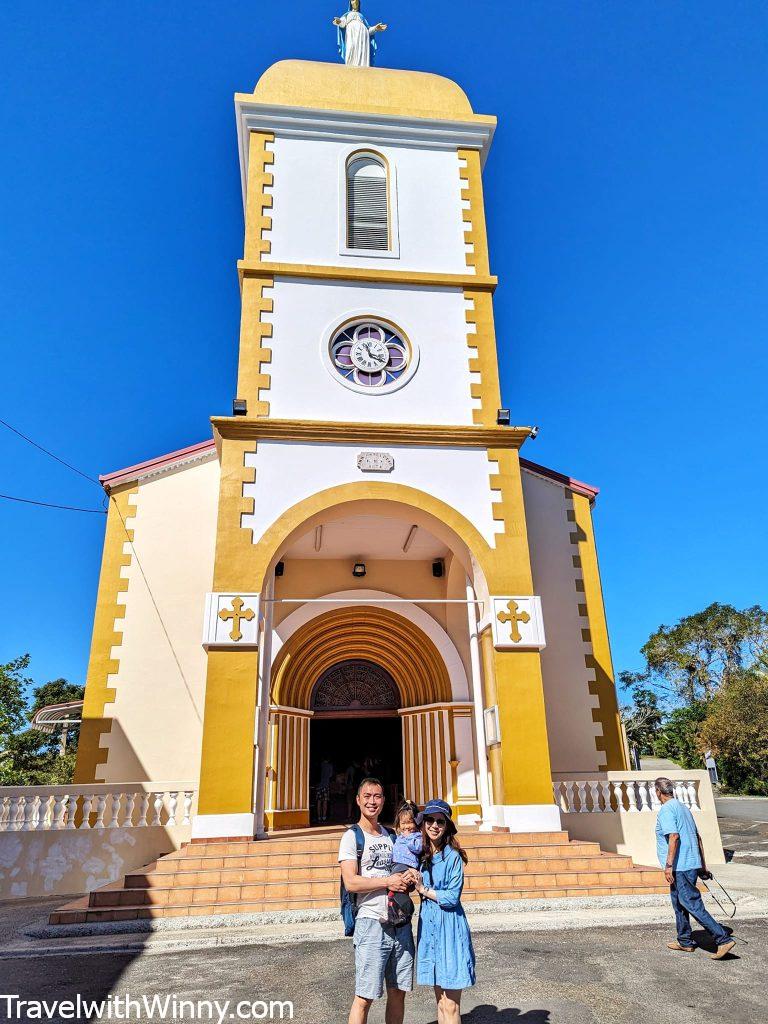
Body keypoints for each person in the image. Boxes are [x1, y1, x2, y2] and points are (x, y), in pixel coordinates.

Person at [338, 777, 415, 1024]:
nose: (373, 801)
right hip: (371, 923)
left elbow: (402, 869)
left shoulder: (392, 836)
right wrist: (388, 882)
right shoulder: (352, 837)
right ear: (358, 800)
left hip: (399, 922)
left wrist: (407, 879)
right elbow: (351, 882)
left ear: (383, 800)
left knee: (398, 991)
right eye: (367, 796)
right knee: (365, 996)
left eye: (378, 796)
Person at [654, 776, 735, 959]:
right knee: (679, 904)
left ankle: (722, 939)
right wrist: (702, 866)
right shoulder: (683, 808)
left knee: (691, 904)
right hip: (689, 864)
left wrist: (668, 866)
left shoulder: (667, 810)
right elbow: (697, 838)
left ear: (658, 792)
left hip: (679, 866)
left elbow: (673, 836)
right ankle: (684, 941)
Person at [411, 799, 475, 1024]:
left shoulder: (453, 857)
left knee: (451, 1004)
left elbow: (451, 897)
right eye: (430, 820)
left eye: (440, 821)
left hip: (449, 928)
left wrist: (423, 890)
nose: (434, 825)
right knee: (439, 1002)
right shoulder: (422, 857)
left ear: (447, 826)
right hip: (430, 928)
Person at [383, 800, 422, 927]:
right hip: (396, 865)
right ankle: (394, 913)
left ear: (415, 822)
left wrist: (409, 838)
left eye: (410, 822)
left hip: (406, 866)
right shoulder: (398, 836)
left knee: (401, 889)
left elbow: (418, 848)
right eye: (403, 823)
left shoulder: (417, 836)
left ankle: (403, 911)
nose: (407, 827)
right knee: (395, 890)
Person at [316, 756, 335, 823]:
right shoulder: (330, 766)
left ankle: (319, 817)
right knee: (325, 801)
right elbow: (330, 775)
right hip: (326, 785)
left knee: (319, 802)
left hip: (318, 786)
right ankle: (324, 817)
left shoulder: (320, 765)